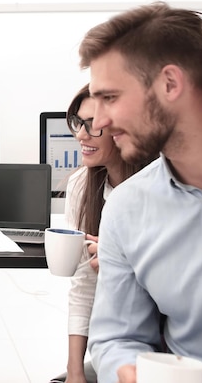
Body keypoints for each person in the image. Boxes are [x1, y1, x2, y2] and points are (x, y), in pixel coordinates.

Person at [78, 1, 202, 383]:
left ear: (170, 84)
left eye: (110, 97)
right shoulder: (126, 208)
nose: (100, 121)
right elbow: (118, 337)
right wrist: (130, 372)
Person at [49, 84, 154, 383]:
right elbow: (82, 287)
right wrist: (75, 372)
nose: (81, 135)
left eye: (93, 126)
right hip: (116, 345)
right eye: (78, 123)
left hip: (163, 342)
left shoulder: (157, 188)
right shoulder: (82, 185)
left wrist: (119, 261)